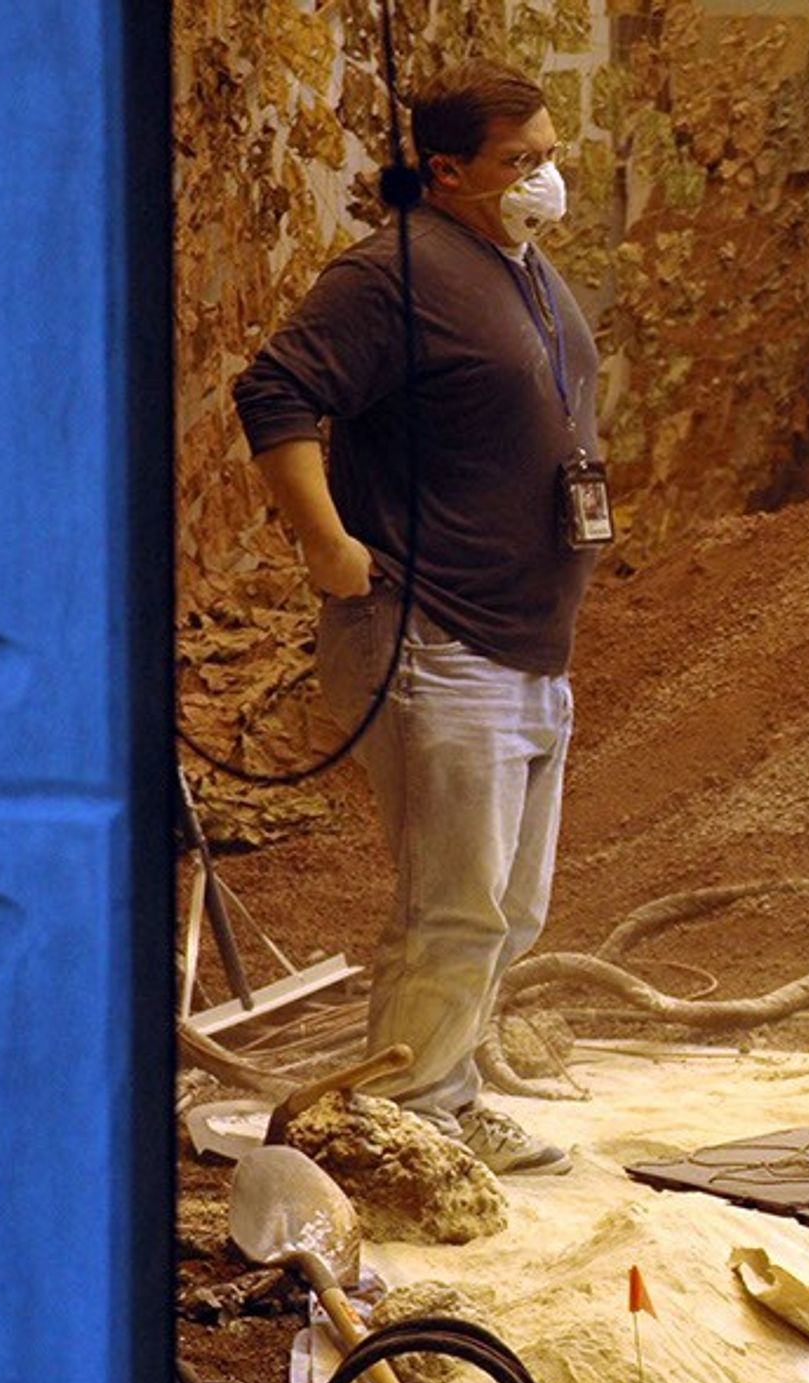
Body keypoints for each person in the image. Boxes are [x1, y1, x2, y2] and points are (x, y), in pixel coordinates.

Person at [234, 59, 608, 1176]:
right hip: (433, 634)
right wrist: (325, 541)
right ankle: (404, 1123)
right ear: (444, 170)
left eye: (549, 155)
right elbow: (275, 390)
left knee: (509, 910)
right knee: (453, 909)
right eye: (517, 161)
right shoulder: (392, 273)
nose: (543, 178)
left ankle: (444, 1091)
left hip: (526, 638)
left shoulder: (521, 265)